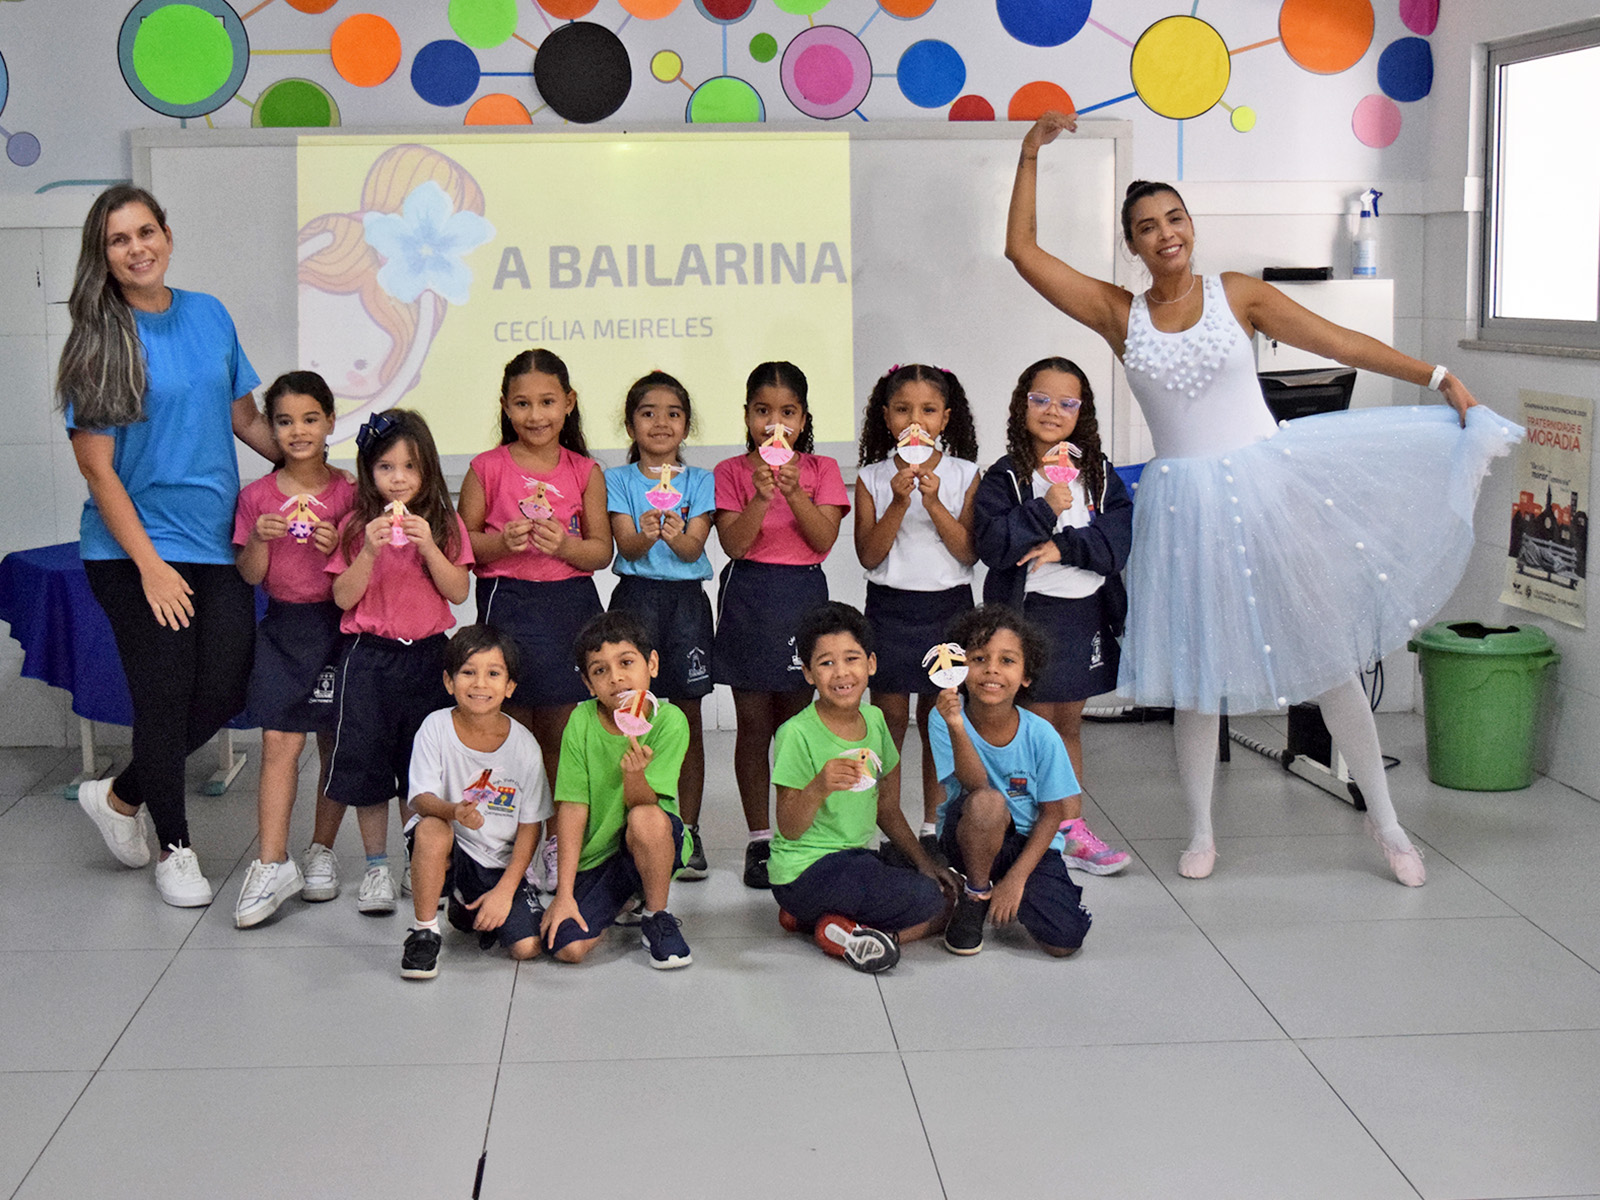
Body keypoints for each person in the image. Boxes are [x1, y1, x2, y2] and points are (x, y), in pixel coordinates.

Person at [1005, 110, 1523, 884]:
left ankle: (1387, 823)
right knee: (1197, 675)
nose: (1165, 233)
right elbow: (1022, 252)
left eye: (1174, 218)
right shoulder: (1121, 314)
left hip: (1266, 491)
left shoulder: (1236, 294)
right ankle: (1201, 831)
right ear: (1132, 245)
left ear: (1191, 224)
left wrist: (1437, 376)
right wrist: (1029, 153)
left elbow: (1336, 341)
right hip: (1185, 510)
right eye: (1147, 226)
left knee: (1328, 658)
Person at [59, 184, 278, 907]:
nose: (136, 248)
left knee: (227, 687)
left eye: (145, 232)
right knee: (164, 695)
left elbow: (245, 419)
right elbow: (97, 469)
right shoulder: (98, 341)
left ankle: (120, 795)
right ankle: (174, 847)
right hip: (132, 552)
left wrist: (313, 466)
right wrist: (150, 567)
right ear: (103, 255)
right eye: (118, 240)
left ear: (168, 235)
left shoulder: (209, 313)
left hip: (215, 541)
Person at [973, 357, 1133, 876]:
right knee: (1034, 728)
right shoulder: (1006, 476)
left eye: (1067, 403)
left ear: (1082, 413)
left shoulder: (1098, 472)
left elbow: (1117, 542)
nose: (1052, 411)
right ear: (1022, 404)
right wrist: (1045, 506)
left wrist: (1063, 547)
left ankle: (1070, 827)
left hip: (1084, 614)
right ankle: (1031, 831)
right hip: (1029, 618)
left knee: (1068, 724)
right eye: (1041, 399)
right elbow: (995, 545)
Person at [323, 408, 472, 914]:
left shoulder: (444, 523)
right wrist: (367, 552)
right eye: (386, 467)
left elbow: (458, 590)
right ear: (369, 472)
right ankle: (375, 867)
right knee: (367, 764)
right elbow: (342, 598)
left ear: (428, 469)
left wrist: (430, 548)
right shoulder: (355, 527)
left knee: (422, 768)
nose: (399, 478)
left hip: (428, 658)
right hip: (369, 658)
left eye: (410, 466)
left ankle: (419, 859)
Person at [714, 362, 849, 889]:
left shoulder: (822, 468)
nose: (775, 423)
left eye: (787, 412)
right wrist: (762, 495)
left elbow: (823, 540)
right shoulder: (730, 471)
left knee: (796, 727)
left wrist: (794, 493)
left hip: (802, 598)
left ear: (803, 418)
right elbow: (733, 544)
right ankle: (759, 838)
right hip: (748, 595)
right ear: (747, 415)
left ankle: (797, 832)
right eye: (762, 411)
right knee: (753, 726)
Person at [770, 602, 957, 973]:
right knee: (933, 902)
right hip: (804, 872)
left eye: (851, 659)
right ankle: (861, 940)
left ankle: (811, 918)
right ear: (808, 673)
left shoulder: (875, 719)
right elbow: (789, 828)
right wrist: (818, 787)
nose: (841, 672)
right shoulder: (796, 733)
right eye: (826, 663)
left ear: (871, 664)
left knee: (942, 886)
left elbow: (886, 807)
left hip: (852, 860)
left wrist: (924, 862)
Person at [231, 371, 356, 926]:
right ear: (272, 429)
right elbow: (250, 575)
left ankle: (321, 850)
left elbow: (366, 570)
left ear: (330, 422)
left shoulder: (351, 492)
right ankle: (270, 861)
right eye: (284, 421)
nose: (298, 431)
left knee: (333, 740)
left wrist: (340, 546)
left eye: (310, 419)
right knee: (279, 741)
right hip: (283, 628)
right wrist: (259, 539)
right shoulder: (256, 497)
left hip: (339, 627)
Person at [460, 350, 610, 803]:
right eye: (522, 404)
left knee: (561, 734)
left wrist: (565, 546)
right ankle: (513, 828)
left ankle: (558, 835)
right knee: (510, 729)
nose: (535, 415)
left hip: (569, 608)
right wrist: (501, 542)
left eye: (547, 402)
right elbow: (462, 544)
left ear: (569, 402)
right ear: (505, 406)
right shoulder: (486, 467)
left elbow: (601, 551)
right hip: (507, 604)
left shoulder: (585, 470)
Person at [854, 363, 981, 860]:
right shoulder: (872, 477)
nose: (915, 421)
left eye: (928, 410)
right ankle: (892, 829)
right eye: (903, 410)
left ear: (945, 418)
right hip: (890, 608)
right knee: (888, 722)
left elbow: (967, 551)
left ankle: (934, 826)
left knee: (939, 721)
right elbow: (869, 555)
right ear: (887, 417)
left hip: (948, 609)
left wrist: (933, 503)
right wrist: (898, 503)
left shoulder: (965, 473)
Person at [929, 606, 1094, 957]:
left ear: (1026, 676)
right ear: (959, 668)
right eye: (979, 658)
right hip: (968, 831)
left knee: (1064, 941)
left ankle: (999, 887)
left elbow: (1053, 813)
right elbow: (976, 784)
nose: (991, 669)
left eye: (1007, 661)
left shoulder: (1042, 734)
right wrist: (956, 725)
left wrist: (1017, 879)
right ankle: (976, 894)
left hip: (1027, 842)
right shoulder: (944, 717)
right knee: (988, 801)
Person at [605, 371, 715, 880]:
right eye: (648, 413)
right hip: (636, 600)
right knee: (629, 713)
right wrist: (646, 533)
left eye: (673, 414)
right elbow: (626, 547)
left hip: (686, 605)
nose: (661, 423)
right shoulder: (619, 480)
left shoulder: (699, 480)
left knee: (687, 715)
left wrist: (674, 534)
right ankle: (632, 827)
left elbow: (693, 550)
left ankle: (687, 831)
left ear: (686, 425)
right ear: (631, 424)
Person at [540, 611, 694, 969]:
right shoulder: (580, 721)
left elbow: (646, 805)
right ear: (588, 683)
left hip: (654, 839)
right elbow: (572, 808)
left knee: (645, 819)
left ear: (651, 664)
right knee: (567, 947)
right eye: (600, 670)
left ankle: (656, 915)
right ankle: (625, 897)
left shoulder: (669, 721)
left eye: (626, 662)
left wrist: (634, 774)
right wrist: (564, 894)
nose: (616, 677)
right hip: (598, 857)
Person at [400, 625, 551, 980]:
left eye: (493, 674)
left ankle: (465, 907)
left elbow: (531, 826)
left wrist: (505, 890)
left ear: (509, 686)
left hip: (499, 862)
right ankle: (425, 932)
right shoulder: (435, 727)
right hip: (454, 848)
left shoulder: (525, 746)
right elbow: (420, 798)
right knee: (432, 829)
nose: (480, 684)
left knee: (527, 947)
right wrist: (452, 811)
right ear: (449, 681)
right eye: (468, 672)